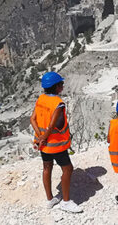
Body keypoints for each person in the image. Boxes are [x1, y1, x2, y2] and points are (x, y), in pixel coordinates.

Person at [30, 71, 83, 213]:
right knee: (68, 169)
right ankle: (66, 202)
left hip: (43, 145)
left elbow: (32, 119)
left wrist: (40, 137)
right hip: (56, 144)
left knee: (47, 168)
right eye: (62, 84)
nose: (63, 86)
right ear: (56, 86)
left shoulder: (41, 99)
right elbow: (52, 126)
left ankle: (50, 199)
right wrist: (45, 137)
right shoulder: (58, 103)